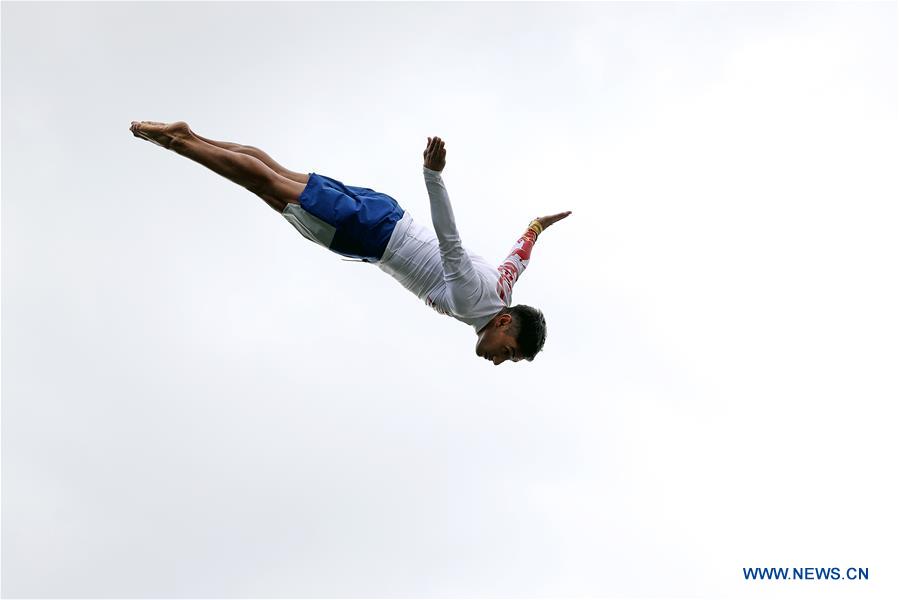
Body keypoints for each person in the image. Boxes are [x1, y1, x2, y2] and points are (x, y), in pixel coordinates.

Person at [130, 121, 571, 365]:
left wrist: (536, 226)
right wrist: (433, 176)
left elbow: (518, 258)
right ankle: (180, 142)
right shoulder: (474, 301)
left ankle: (194, 137)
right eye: (508, 353)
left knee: (276, 175)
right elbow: (449, 241)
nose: (499, 361)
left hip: (386, 213)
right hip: (371, 235)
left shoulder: (501, 290)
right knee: (267, 186)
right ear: (504, 324)